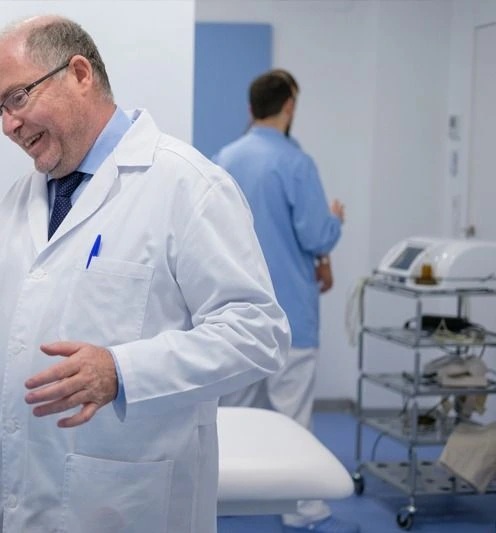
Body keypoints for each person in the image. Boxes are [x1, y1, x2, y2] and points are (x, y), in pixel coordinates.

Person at [0, 16, 289, 533]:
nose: (8, 125)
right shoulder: (13, 209)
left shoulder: (188, 186)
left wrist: (122, 371)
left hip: (127, 506)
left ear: (80, 74)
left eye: (17, 98)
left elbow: (257, 334)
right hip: (15, 503)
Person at [213, 70, 355, 533]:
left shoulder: (223, 159)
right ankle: (304, 510)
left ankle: (224, 500)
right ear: (289, 105)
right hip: (289, 313)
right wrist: (334, 220)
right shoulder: (296, 163)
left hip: (234, 315)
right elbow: (316, 236)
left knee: (232, 417)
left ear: (251, 107)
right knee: (293, 418)